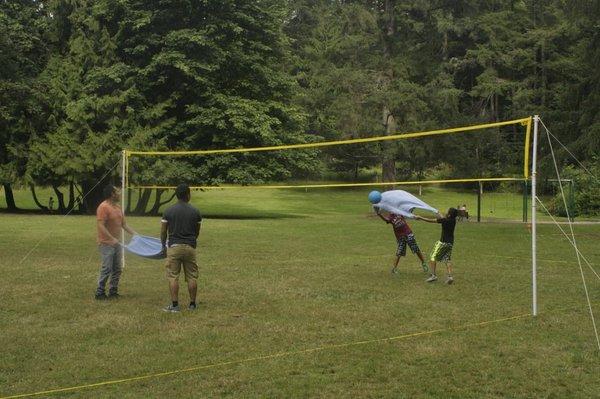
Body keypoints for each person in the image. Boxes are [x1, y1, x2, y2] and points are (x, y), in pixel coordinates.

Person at [161, 184, 202, 313]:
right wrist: (191, 240)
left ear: (177, 195)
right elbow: (197, 231)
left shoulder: (168, 211)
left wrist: (163, 245)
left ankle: (175, 305)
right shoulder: (195, 211)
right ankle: (192, 305)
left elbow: (163, 232)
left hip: (174, 247)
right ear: (188, 195)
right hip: (190, 247)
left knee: (173, 276)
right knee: (191, 277)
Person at [95, 184, 135, 300]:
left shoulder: (117, 208)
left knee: (117, 268)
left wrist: (135, 234)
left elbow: (124, 225)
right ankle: (100, 292)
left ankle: (113, 291)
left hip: (117, 244)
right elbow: (100, 225)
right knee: (107, 268)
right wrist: (111, 238)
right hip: (106, 243)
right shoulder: (103, 207)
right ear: (112, 194)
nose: (119, 193)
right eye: (117, 191)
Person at [376, 208, 429, 274]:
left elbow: (408, 211)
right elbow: (386, 220)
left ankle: (423, 263)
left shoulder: (399, 212)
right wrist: (379, 215)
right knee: (399, 252)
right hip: (400, 237)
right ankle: (394, 268)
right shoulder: (390, 217)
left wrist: (412, 207)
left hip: (408, 233)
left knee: (416, 249)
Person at [415, 208, 458, 284]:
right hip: (450, 243)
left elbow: (431, 221)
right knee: (447, 259)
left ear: (449, 214)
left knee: (433, 257)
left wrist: (420, 217)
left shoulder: (445, 220)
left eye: (448, 211)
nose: (446, 212)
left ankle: (433, 275)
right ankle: (450, 276)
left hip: (442, 243)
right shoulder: (453, 220)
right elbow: (443, 218)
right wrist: (438, 213)